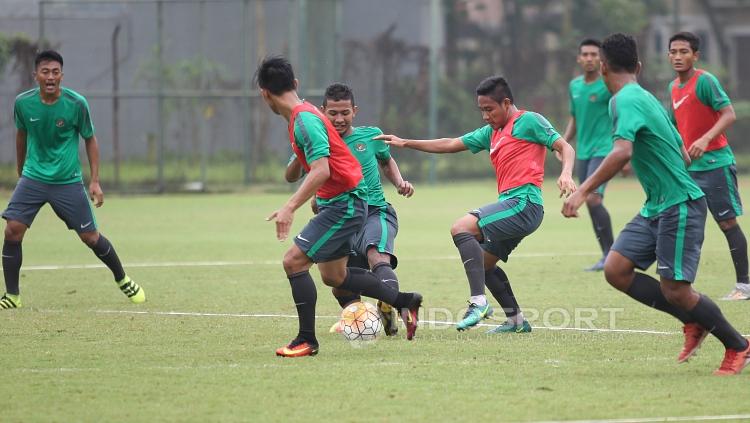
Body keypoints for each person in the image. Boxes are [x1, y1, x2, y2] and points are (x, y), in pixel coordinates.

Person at [562, 33, 750, 375]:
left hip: (679, 204)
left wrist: (581, 190)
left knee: (676, 289)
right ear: (639, 66)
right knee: (616, 269)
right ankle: (693, 321)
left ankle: (739, 344)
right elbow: (679, 150)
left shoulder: (622, 100)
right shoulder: (646, 97)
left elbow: (621, 151)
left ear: (603, 67)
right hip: (658, 204)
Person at [375, 76, 577, 333]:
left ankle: (478, 303)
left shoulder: (529, 121)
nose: (484, 116)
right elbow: (450, 144)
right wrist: (406, 142)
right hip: (511, 204)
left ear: (506, 103)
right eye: (481, 110)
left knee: (462, 228)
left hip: (524, 203)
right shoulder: (490, 133)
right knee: (483, 263)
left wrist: (566, 173)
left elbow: (565, 147)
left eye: (489, 109)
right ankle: (516, 322)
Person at [255, 56, 422, 358]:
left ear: (263, 93)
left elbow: (322, 170)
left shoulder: (304, 119)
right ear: (295, 84)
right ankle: (406, 300)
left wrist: (290, 207)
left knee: (293, 262)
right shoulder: (303, 117)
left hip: (345, 203)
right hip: (342, 202)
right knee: (334, 276)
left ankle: (307, 340)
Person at [0, 50, 144, 310]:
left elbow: (90, 138)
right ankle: (12, 296)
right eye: (45, 72)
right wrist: (22, 172)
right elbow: (21, 136)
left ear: (62, 76)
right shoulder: (23, 103)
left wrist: (95, 181)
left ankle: (123, 279)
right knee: (12, 230)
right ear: (36, 76)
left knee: (90, 237)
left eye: (56, 72)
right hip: (33, 177)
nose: (51, 77)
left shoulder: (77, 104)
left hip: (67, 180)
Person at [286, 83, 415, 337]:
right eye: (332, 113)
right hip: (338, 216)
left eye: (345, 112)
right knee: (338, 283)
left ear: (354, 111)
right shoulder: (315, 138)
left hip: (374, 212)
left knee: (377, 256)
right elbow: (293, 174)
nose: (339, 119)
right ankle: (358, 317)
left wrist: (399, 182)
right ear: (323, 112)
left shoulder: (371, 136)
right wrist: (297, 153)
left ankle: (390, 309)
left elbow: (386, 160)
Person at [667, 31, 749, 301]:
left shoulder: (705, 81)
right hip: (690, 169)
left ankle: (745, 285)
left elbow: (729, 114)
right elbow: (676, 127)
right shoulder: (673, 87)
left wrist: (705, 138)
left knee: (726, 222)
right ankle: (686, 286)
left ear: (695, 55)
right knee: (690, 224)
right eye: (674, 52)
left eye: (684, 52)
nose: (678, 57)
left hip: (716, 164)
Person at [562, 38, 614, 272]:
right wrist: (563, 143)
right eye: (586, 54)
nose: (590, 58)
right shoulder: (574, 86)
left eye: (594, 54)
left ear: (601, 59)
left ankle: (611, 255)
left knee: (592, 198)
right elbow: (574, 117)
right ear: (579, 58)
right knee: (591, 202)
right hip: (583, 152)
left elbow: (619, 115)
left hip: (604, 150)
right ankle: (606, 255)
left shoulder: (608, 84)